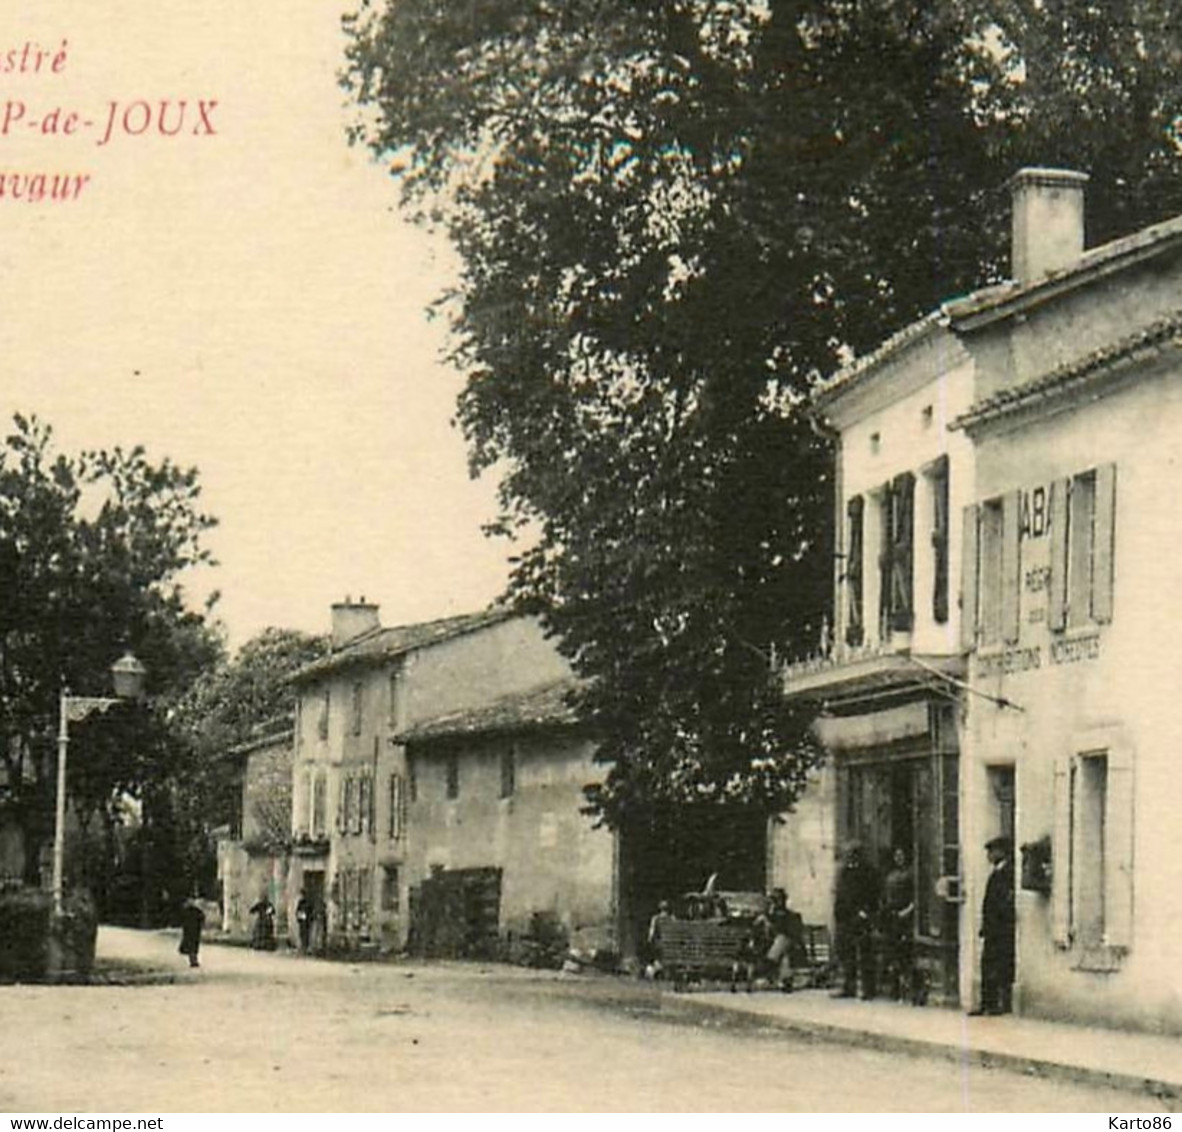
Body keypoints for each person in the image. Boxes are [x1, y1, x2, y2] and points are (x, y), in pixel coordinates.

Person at [973, 835, 1015, 1016]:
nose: (989, 855)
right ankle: (986, 1003)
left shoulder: (1008, 873)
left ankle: (998, 1004)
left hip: (1001, 929)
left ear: (1002, 852)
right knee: (988, 964)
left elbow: (1005, 902)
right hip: (992, 928)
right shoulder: (996, 873)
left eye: (992, 851)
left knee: (1000, 965)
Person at [833, 842, 880, 999]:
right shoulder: (845, 872)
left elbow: (874, 895)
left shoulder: (869, 871)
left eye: (852, 853)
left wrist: (865, 913)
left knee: (865, 954)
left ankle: (868, 989)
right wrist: (838, 913)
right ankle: (849, 986)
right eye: (847, 854)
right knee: (847, 954)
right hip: (845, 917)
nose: (849, 857)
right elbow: (840, 894)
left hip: (861, 917)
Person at [880, 847, 916, 1002]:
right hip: (892, 918)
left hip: (906, 917)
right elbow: (886, 897)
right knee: (893, 953)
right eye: (896, 855)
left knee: (904, 954)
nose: (899, 858)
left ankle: (906, 989)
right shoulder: (891, 875)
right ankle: (894, 989)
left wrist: (907, 911)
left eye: (902, 855)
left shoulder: (911, 874)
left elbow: (916, 897)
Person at [764, 888, 807, 993]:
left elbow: (792, 933)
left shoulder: (790, 915)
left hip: (788, 945)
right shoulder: (768, 915)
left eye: (776, 900)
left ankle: (782, 979)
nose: (775, 903)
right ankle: (786, 981)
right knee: (785, 955)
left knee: (783, 942)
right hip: (771, 947)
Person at [646, 899, 674, 979]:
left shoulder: (655, 919)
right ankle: (662, 969)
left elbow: (651, 934)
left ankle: (656, 969)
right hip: (670, 945)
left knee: (657, 955)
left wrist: (649, 941)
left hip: (658, 945)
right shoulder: (672, 919)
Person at [178, 895, 204, 969]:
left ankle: (193, 960)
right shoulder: (190, 910)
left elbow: (201, 917)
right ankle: (193, 960)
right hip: (191, 930)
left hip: (194, 930)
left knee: (193, 946)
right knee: (192, 946)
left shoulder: (195, 910)